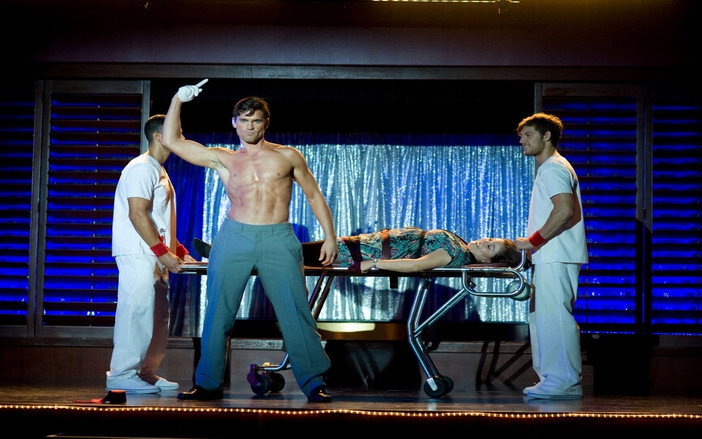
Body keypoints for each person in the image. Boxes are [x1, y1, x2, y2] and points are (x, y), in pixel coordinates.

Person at [162, 80, 338, 403]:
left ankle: (314, 382)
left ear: (265, 123)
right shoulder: (224, 158)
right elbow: (173, 141)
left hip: (278, 238)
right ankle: (207, 384)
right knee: (218, 312)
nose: (249, 126)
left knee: (295, 311)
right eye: (244, 120)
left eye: (256, 120)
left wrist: (330, 236)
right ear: (234, 123)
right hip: (234, 236)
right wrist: (177, 99)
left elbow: (314, 194)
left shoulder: (288, 156)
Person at [107, 114, 194, 394]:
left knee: (157, 315)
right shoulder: (141, 168)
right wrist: (161, 252)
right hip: (138, 252)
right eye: (176, 133)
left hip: (154, 254)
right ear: (159, 136)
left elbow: (158, 220)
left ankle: (144, 372)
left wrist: (179, 251)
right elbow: (137, 213)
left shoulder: (159, 170)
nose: (181, 138)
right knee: (137, 310)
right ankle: (122, 374)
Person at [513, 113, 588, 400]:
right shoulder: (550, 168)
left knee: (555, 316)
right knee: (543, 317)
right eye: (521, 136)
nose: (522, 140)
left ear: (546, 136)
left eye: (528, 135)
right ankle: (553, 378)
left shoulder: (553, 168)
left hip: (556, 253)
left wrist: (532, 241)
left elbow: (564, 210)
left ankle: (563, 380)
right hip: (550, 254)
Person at [195, 226, 522, 272]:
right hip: (357, 245)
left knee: (286, 251)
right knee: (287, 253)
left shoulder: (456, 254)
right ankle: (229, 258)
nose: (485, 240)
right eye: (490, 238)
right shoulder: (460, 244)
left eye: (490, 246)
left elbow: (416, 265)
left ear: (487, 260)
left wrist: (372, 264)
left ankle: (226, 257)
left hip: (358, 254)